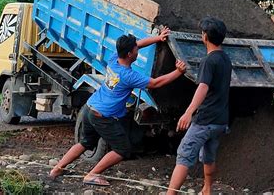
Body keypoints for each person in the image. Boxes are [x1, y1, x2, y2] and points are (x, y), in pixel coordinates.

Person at [50, 27, 187, 186]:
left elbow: (138, 44)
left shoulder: (114, 59)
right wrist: (178, 72)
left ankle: (57, 169)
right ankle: (92, 174)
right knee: (122, 150)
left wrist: (157, 38)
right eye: (136, 50)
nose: (138, 50)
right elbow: (156, 83)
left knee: (85, 143)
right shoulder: (129, 76)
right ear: (130, 54)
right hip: (102, 116)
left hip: (90, 107)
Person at [167, 17, 232, 195]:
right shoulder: (226, 59)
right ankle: (207, 189)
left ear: (205, 37)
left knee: (184, 154)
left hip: (205, 119)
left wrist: (189, 112)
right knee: (209, 157)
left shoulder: (208, 61)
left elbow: (203, 87)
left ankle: (169, 194)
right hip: (220, 120)